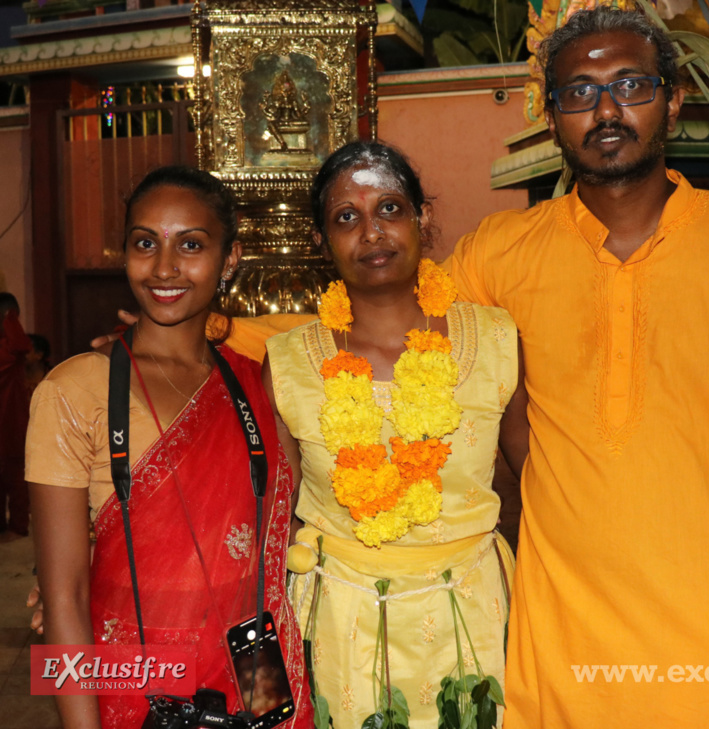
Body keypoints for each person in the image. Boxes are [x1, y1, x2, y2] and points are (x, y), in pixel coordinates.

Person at [445, 7, 709, 729]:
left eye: (630, 85)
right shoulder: (497, 255)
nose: (606, 110)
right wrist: (215, 332)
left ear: (673, 99)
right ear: (551, 116)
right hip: (562, 666)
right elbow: (379, 330)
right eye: (578, 92)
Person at [26, 166, 313, 729]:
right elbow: (64, 598)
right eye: (144, 243)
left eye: (191, 245)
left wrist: (268, 709)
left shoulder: (261, 386)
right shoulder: (74, 389)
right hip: (130, 694)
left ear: (229, 260)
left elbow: (266, 569)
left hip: (253, 675)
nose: (164, 267)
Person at [262, 141, 529, 728]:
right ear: (320, 239)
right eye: (346, 217)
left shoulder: (495, 340)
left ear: (422, 219)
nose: (372, 233)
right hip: (338, 625)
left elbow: (531, 489)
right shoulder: (287, 362)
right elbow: (274, 515)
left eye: (389, 208)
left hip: (474, 617)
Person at [0, 292, 32, 540]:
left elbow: (21, 345)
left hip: (10, 422)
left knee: (15, 475)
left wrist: (8, 318)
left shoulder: (10, 350)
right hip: (9, 422)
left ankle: (18, 527)